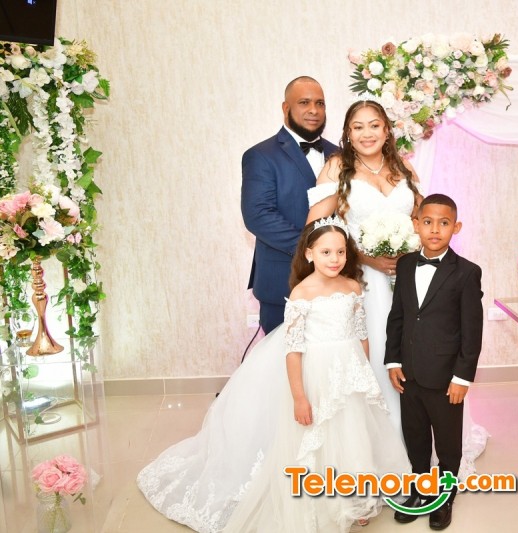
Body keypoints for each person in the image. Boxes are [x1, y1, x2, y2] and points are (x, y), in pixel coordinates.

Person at [137, 217, 410, 533]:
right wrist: (299, 397)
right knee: (319, 438)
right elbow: (293, 350)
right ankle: (321, 498)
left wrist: (363, 371)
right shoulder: (302, 294)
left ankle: (353, 499)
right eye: (325, 252)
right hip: (316, 376)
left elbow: (361, 335)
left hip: (349, 376)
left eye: (340, 252)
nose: (334, 259)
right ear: (309, 254)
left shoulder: (351, 287)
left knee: (352, 433)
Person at [306, 100, 489, 478]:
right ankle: (380, 455)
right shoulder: (337, 167)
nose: (367, 133)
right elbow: (316, 225)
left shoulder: (404, 167)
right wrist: (361, 256)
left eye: (374, 125)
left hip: (410, 279)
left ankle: (423, 449)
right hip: (366, 282)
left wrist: (412, 251)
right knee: (378, 359)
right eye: (358, 127)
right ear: (348, 133)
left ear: (387, 130)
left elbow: (425, 217)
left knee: (423, 352)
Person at [385, 194, 483, 531]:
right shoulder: (405, 265)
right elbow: (398, 317)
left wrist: (462, 378)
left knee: (447, 441)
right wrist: (393, 360)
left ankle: (445, 495)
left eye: (444, 223)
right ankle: (419, 489)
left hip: (445, 378)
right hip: (409, 373)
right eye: (427, 222)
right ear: (416, 225)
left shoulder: (467, 273)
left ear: (456, 227)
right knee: (415, 437)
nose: (435, 230)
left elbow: (472, 331)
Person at [242, 76, 338, 333]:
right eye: (304, 102)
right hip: (281, 281)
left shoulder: (339, 154)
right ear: (286, 108)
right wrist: (315, 250)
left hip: (335, 281)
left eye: (320, 103)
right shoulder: (260, 155)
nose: (314, 110)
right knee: (283, 355)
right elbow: (258, 216)